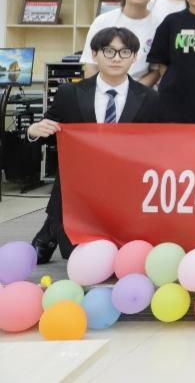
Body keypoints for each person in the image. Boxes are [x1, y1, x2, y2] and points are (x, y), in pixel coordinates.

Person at [26, 27, 161, 262]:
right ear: (95, 54)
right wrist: (33, 131)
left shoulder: (149, 98)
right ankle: (54, 227)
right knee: (75, 255)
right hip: (80, 190)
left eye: (124, 52)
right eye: (109, 51)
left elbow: (159, 143)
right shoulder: (70, 93)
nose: (116, 58)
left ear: (134, 57)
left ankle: (49, 231)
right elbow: (49, 129)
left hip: (126, 188)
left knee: (122, 255)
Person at [81, 0, 159, 85]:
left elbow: (156, 70)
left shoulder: (159, 26)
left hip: (138, 89)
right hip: (102, 87)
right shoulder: (103, 21)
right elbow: (91, 64)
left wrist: (134, 92)